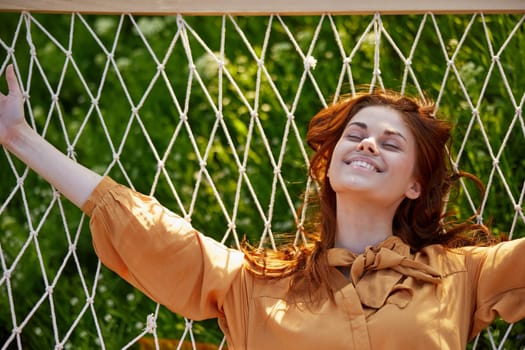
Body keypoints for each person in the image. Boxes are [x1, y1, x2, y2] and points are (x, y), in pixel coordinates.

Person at [1, 63, 524, 349]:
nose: (367, 144)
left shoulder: (460, 276)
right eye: (356, 134)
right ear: (328, 164)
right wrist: (20, 138)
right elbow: (147, 228)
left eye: (390, 144)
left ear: (415, 184)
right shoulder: (255, 282)